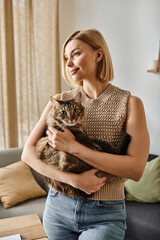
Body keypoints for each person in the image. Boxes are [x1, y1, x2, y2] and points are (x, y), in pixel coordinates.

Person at [22, 29, 150, 240]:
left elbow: (136, 169)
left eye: (76, 54)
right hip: (57, 208)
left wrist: (74, 148)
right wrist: (73, 180)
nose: (69, 63)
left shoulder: (130, 104)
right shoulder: (60, 100)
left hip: (106, 214)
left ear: (98, 55)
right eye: (66, 58)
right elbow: (27, 154)